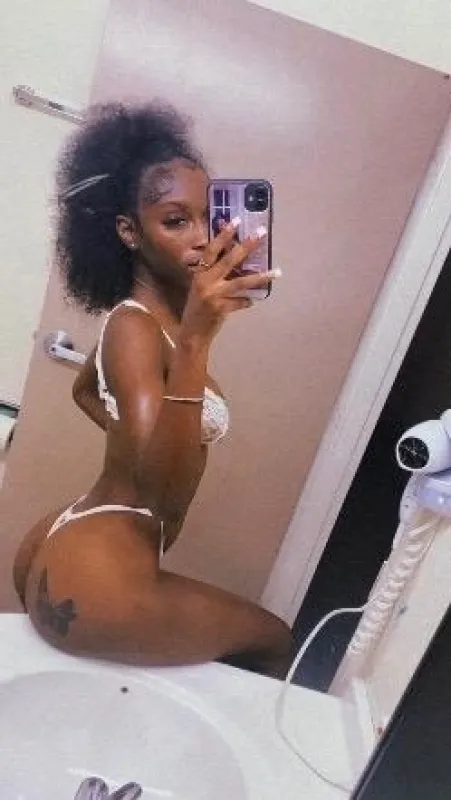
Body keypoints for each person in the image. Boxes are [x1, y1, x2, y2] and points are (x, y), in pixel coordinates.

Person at [13, 103, 293, 678]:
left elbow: (86, 391)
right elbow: (154, 492)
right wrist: (196, 341)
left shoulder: (134, 319)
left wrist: (128, 436)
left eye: (209, 217)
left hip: (78, 537)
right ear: (129, 231)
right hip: (96, 575)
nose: (202, 239)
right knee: (273, 641)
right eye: (175, 221)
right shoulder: (140, 329)